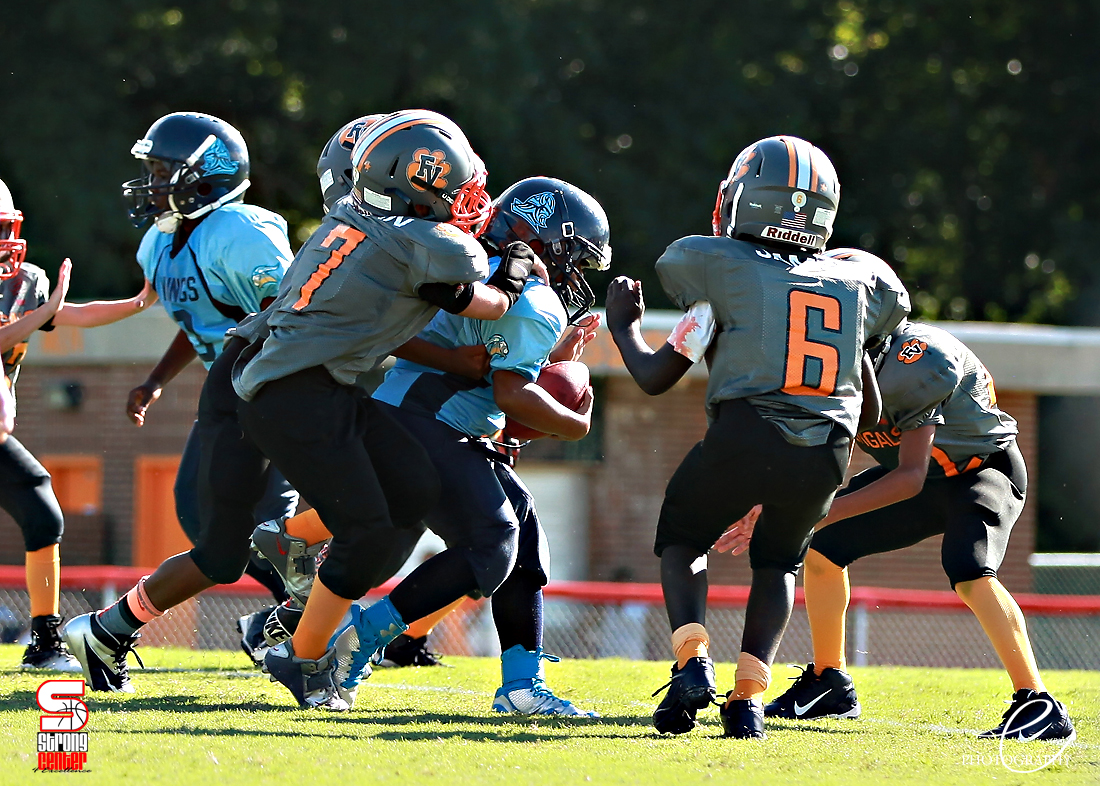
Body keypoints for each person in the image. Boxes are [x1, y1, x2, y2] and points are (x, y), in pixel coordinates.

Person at [254, 175, 610, 715]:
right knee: (492, 540)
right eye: (574, 257)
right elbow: (512, 392)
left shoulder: (463, 264)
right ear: (543, 240)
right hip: (426, 424)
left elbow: (477, 354)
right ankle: (356, 635)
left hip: (406, 416)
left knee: (522, 535)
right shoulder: (530, 299)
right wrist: (576, 423)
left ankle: (521, 683)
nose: (575, 273)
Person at [226, 108, 538, 710]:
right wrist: (520, 269)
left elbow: (447, 288)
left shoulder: (361, 220)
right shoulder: (421, 241)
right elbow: (488, 303)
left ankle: (289, 542)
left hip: (317, 388)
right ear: (416, 185)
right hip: (296, 397)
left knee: (412, 490)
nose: (470, 200)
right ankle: (305, 658)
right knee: (370, 534)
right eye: (457, 187)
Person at [604, 136, 909, 738]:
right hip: (828, 451)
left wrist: (624, 327)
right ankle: (746, 700)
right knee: (779, 562)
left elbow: (655, 377)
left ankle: (693, 662)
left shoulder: (720, 272)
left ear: (745, 200)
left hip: (746, 431)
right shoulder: (854, 285)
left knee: (684, 536)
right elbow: (869, 404)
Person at [716, 311, 1075, 742]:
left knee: (969, 569)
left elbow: (909, 478)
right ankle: (830, 683)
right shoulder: (838, 369)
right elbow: (833, 453)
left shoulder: (920, 360)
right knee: (821, 546)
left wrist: (808, 512)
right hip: (925, 479)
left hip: (981, 471)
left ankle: (1037, 704)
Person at [63, 112, 298, 690]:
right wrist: (158, 378)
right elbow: (196, 317)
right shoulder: (161, 241)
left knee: (283, 529)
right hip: (232, 400)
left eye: (164, 169)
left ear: (206, 175)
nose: (152, 181)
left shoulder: (242, 233)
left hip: (276, 395)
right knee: (203, 518)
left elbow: (298, 310)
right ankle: (290, 623)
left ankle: (298, 628)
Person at [0, 176, 156, 670]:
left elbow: (73, 315)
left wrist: (135, 305)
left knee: (42, 513)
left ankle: (44, 641)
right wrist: (42, 313)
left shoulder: (23, 286)